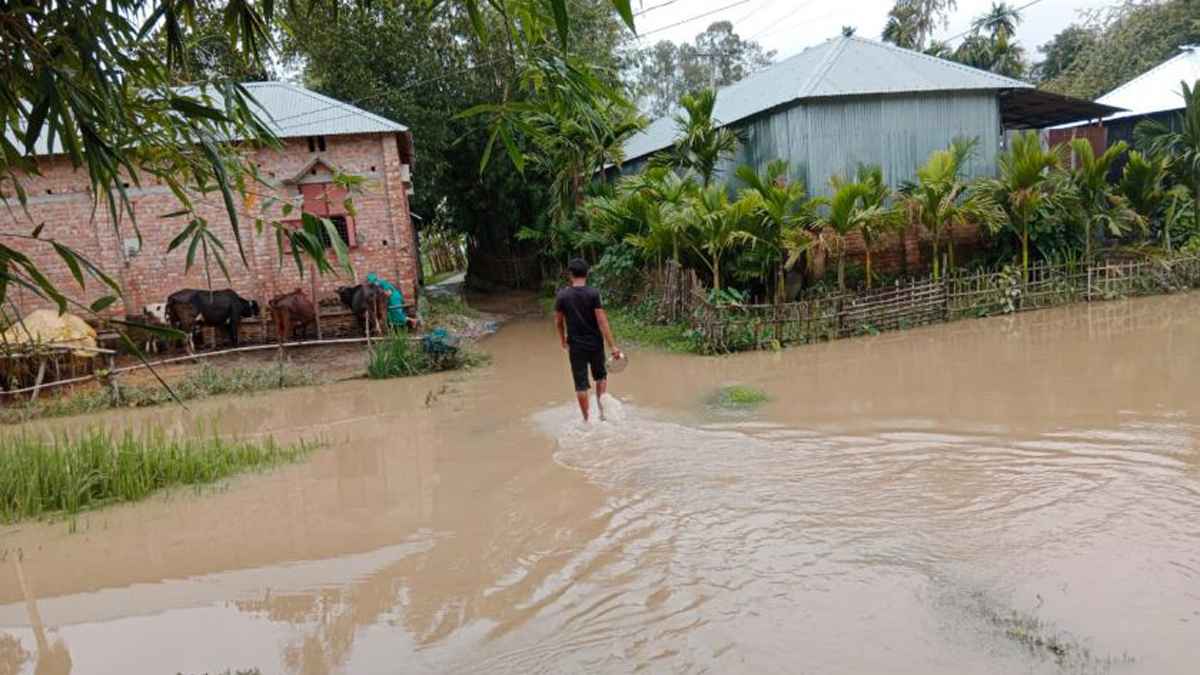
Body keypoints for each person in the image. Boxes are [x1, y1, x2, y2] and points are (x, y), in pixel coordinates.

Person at [555, 258, 622, 422]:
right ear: (587, 273)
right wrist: (612, 346)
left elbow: (558, 321)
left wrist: (563, 340)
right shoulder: (593, 293)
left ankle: (586, 419)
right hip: (595, 344)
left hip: (576, 346)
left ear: (570, 274)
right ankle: (601, 413)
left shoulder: (562, 295)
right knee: (601, 377)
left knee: (581, 384)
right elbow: (602, 321)